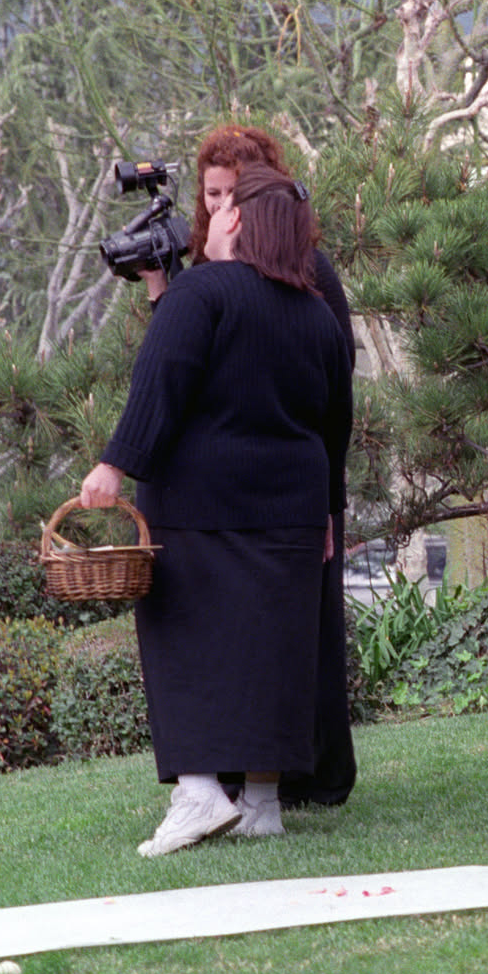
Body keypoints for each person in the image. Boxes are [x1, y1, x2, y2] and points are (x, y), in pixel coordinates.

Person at [81, 162, 354, 856]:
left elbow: (159, 386)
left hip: (197, 506)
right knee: (275, 651)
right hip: (292, 509)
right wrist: (326, 512)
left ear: (238, 220)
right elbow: (335, 423)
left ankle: (199, 790)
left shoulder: (199, 293)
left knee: (187, 646)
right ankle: (261, 800)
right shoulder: (315, 314)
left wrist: (113, 465)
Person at [149, 125, 360, 810]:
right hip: (217, 490)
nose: (219, 208)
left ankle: (296, 773)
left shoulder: (309, 274)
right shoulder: (202, 275)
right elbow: (177, 372)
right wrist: (164, 287)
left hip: (288, 495)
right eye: (209, 195)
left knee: (289, 636)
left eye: (232, 195)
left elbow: (330, 389)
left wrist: (326, 504)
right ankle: (236, 780)